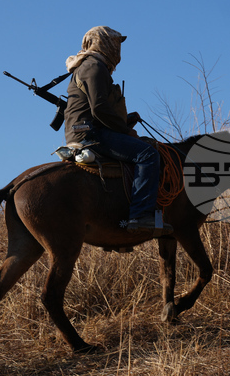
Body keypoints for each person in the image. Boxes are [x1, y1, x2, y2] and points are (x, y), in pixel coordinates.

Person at [63, 26, 170, 236]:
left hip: (85, 130)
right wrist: (125, 130)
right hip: (90, 135)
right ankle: (140, 215)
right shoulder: (95, 67)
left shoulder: (88, 66)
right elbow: (100, 108)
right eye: (115, 43)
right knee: (148, 154)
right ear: (104, 43)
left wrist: (127, 120)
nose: (117, 49)